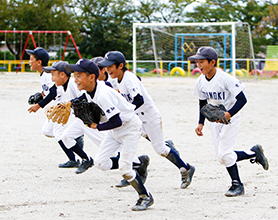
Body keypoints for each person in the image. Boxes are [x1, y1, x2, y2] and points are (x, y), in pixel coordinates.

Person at [65, 58, 154, 211]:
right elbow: (82, 99)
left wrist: (95, 126)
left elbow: (117, 121)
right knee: (100, 163)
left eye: (79, 75)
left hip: (129, 128)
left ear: (91, 77)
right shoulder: (91, 89)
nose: (75, 79)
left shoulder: (102, 95)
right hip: (116, 129)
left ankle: (145, 196)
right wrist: (67, 104)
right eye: (75, 75)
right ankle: (139, 162)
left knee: (125, 169)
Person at [98, 51, 195, 189]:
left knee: (160, 149)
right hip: (136, 117)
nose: (107, 70)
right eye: (105, 67)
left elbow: (139, 99)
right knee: (126, 139)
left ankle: (186, 169)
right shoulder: (116, 79)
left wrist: (125, 110)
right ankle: (135, 168)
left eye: (110, 66)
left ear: (120, 66)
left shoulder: (129, 78)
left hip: (148, 116)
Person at [188, 46, 269, 197]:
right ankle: (253, 153)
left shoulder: (225, 79)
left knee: (224, 155)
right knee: (222, 156)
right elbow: (202, 103)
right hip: (214, 121)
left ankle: (237, 185)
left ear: (212, 62)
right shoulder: (200, 81)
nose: (198, 65)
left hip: (230, 119)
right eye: (197, 62)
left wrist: (229, 114)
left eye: (201, 62)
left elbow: (242, 99)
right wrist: (201, 123)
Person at [27, 61, 87, 170]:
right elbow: (53, 93)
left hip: (90, 118)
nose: (52, 78)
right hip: (80, 116)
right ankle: (81, 154)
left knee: (60, 133)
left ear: (62, 74)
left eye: (53, 74)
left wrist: (69, 103)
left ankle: (78, 158)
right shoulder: (61, 85)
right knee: (48, 131)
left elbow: (85, 97)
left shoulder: (73, 84)